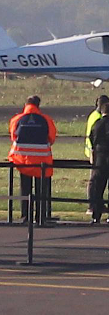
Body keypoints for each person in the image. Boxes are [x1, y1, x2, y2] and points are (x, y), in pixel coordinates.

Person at [8, 95, 55, 225]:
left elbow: (13, 136)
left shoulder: (17, 119)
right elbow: (51, 138)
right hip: (42, 162)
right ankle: (41, 216)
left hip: (22, 160)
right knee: (41, 191)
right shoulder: (46, 119)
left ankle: (25, 216)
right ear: (38, 105)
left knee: (25, 188)